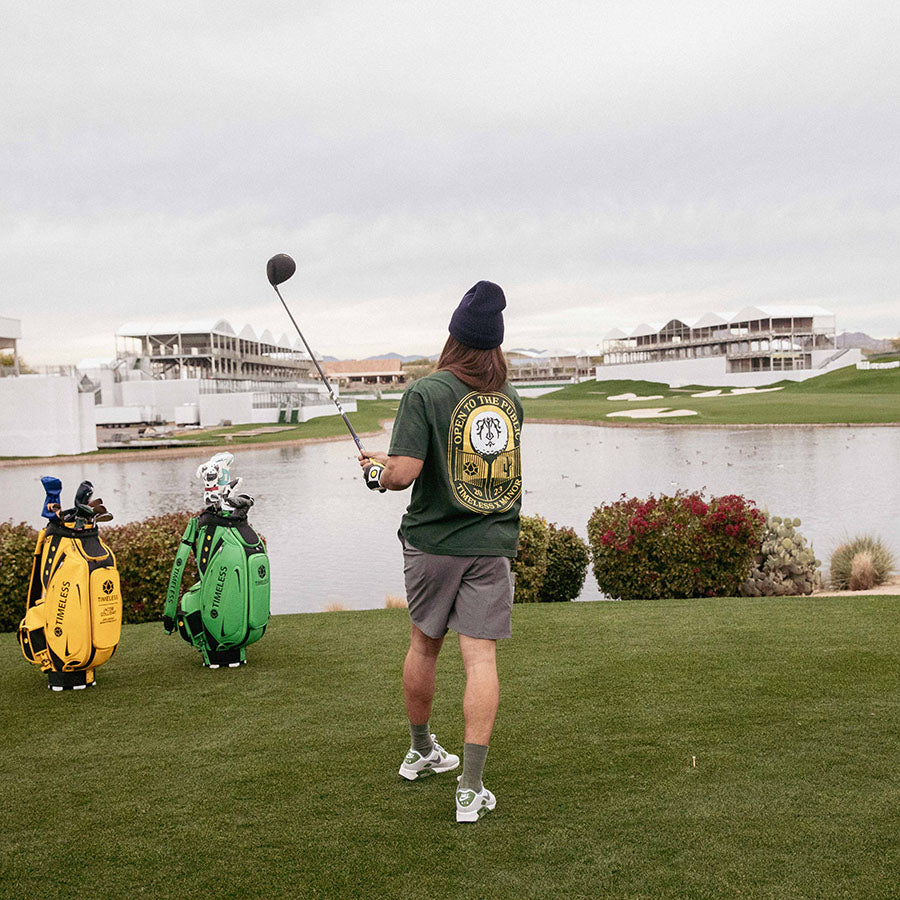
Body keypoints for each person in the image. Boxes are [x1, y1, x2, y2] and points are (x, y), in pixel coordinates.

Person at [359, 280, 523, 824]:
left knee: (425, 647)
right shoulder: (509, 402)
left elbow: (403, 476)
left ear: (453, 337)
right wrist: (396, 459)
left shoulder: (425, 392)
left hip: (432, 546)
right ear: (495, 345)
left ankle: (422, 750)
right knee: (481, 660)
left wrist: (379, 470)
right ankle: (470, 789)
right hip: (490, 544)